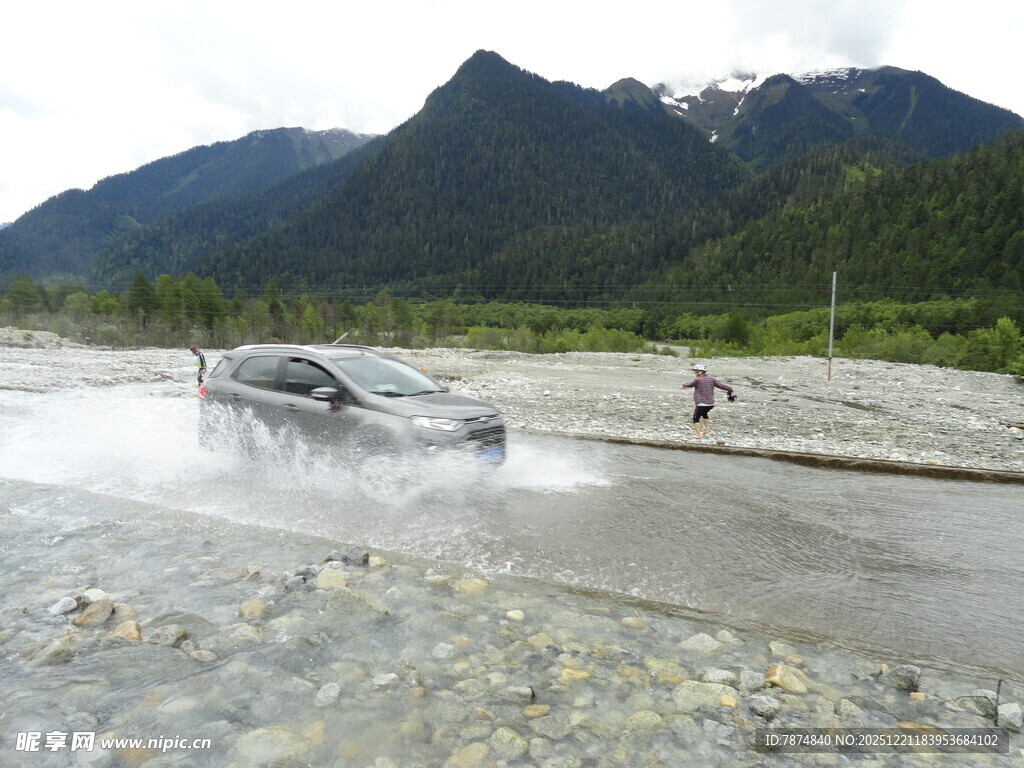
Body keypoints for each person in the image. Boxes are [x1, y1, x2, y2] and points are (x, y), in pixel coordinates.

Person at [681, 363, 735, 440]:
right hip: (711, 403)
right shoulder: (711, 379)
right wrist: (730, 388)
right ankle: (706, 430)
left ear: (700, 371)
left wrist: (683, 384)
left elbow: (689, 385)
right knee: (705, 414)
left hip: (701, 404)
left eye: (696, 371)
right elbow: (720, 386)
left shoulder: (698, 380)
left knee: (695, 418)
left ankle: (698, 435)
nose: (695, 373)